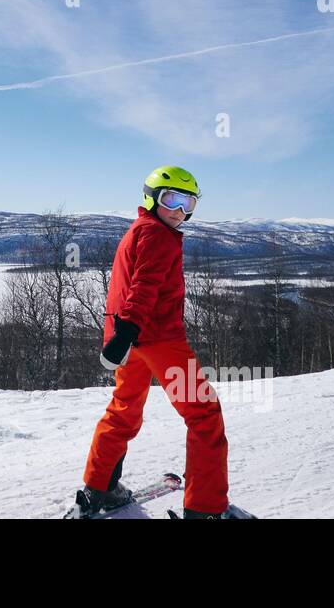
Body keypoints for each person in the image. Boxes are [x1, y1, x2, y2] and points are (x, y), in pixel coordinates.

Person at [70, 165, 232, 519]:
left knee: (124, 410)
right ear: (152, 198)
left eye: (188, 203)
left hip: (132, 343)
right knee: (205, 415)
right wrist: (128, 330)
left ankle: (100, 487)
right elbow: (144, 287)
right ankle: (205, 509)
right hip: (158, 338)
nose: (179, 211)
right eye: (171, 199)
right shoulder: (158, 235)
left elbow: (131, 287)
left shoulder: (140, 230)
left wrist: (121, 336)